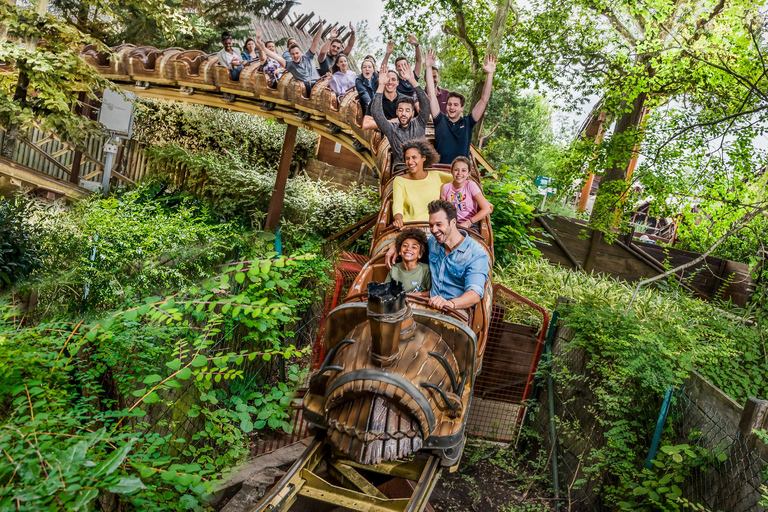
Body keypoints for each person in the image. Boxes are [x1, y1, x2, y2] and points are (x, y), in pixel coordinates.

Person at [385, 200, 490, 312]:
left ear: (453, 222)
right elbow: (413, 242)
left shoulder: (476, 254)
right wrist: (396, 245)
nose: (434, 230)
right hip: (428, 304)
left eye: (439, 225)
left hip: (456, 309)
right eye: (431, 225)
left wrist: (450, 303)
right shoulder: (433, 242)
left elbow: (474, 294)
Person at [425, 49, 497, 164]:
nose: (451, 107)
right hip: (441, 170)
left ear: (462, 108)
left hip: (461, 173)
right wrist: (428, 67)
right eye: (449, 104)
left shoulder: (468, 122)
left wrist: (490, 74)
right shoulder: (440, 120)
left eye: (455, 105)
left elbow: (484, 99)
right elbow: (431, 95)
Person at [370, 61, 429, 163]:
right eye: (401, 110)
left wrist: (411, 80)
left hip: (421, 167)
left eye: (407, 111)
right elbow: (377, 113)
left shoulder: (420, 123)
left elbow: (425, 103)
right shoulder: (392, 129)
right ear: (397, 112)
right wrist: (381, 85)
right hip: (401, 169)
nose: (403, 114)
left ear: (412, 113)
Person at [391, 139, 453, 229]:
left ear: (423, 158)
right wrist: (398, 219)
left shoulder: (437, 175)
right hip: (409, 227)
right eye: (407, 158)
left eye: (414, 157)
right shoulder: (399, 180)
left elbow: (460, 179)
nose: (410, 162)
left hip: (435, 227)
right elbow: (397, 205)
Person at [257, 23, 324, 97]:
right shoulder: (289, 64)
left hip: (319, 83)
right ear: (290, 55)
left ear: (301, 52)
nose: (295, 56)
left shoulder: (308, 56)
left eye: (297, 53)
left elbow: (315, 42)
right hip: (308, 86)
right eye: (292, 54)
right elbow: (273, 55)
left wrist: (320, 28)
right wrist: (260, 42)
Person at [441, 156, 492, 231]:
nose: (459, 173)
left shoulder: (471, 185)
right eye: (456, 170)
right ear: (451, 171)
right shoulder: (446, 187)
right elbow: (442, 209)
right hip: (452, 224)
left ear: (469, 173)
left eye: (463, 170)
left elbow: (486, 209)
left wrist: (468, 223)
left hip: (471, 224)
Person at [385, 228, 431, 294]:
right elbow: (386, 291)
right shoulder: (394, 269)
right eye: (405, 246)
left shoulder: (425, 269)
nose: (408, 249)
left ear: (420, 254)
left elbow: (431, 293)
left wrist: (418, 295)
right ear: (400, 252)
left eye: (414, 247)